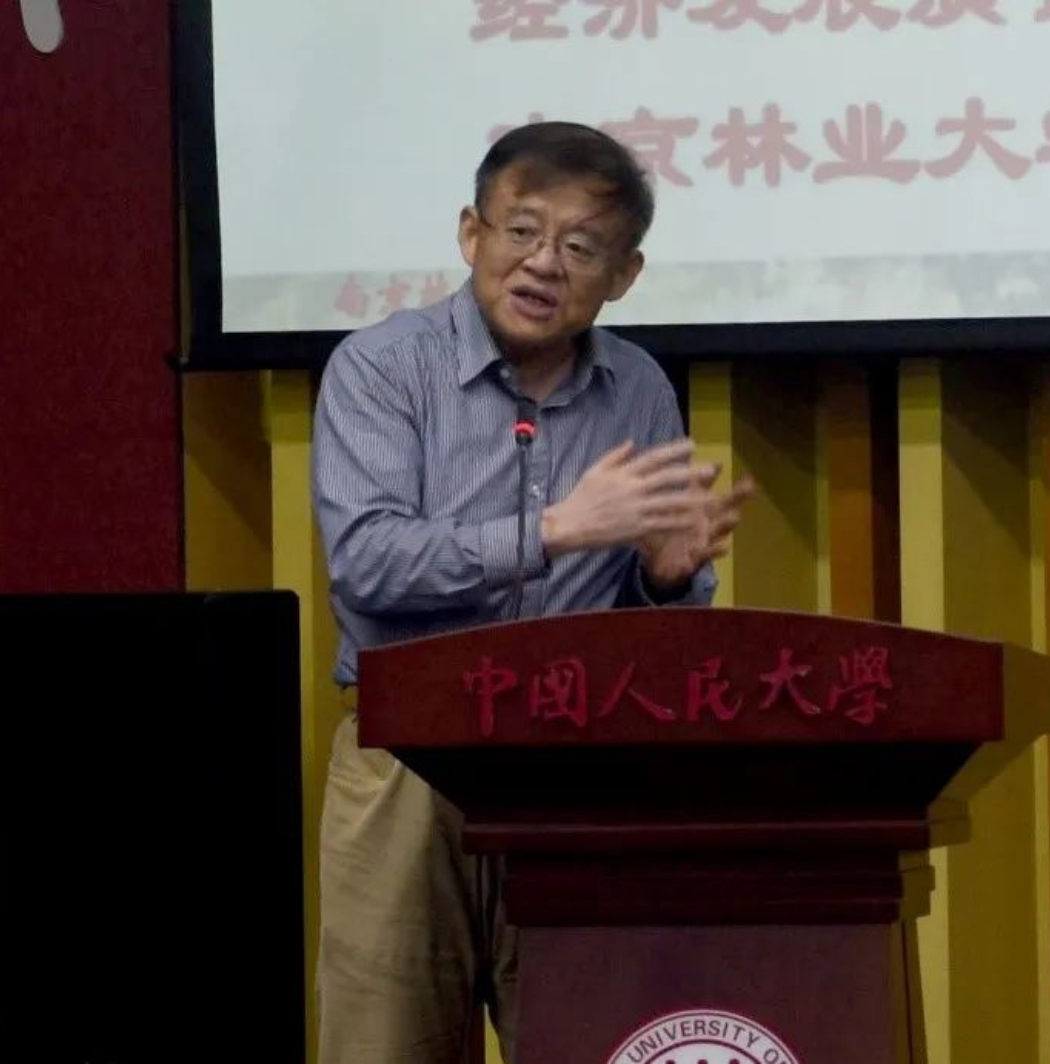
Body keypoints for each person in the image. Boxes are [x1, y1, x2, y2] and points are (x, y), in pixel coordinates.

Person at [309, 121, 753, 1064]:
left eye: (580, 247)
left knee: (590, 1038)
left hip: (576, 769)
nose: (544, 263)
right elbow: (368, 564)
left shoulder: (636, 387)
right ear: (471, 233)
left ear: (623, 274)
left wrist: (667, 578)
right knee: (384, 1043)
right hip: (409, 768)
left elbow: (659, 628)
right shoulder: (382, 368)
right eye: (521, 231)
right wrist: (555, 530)